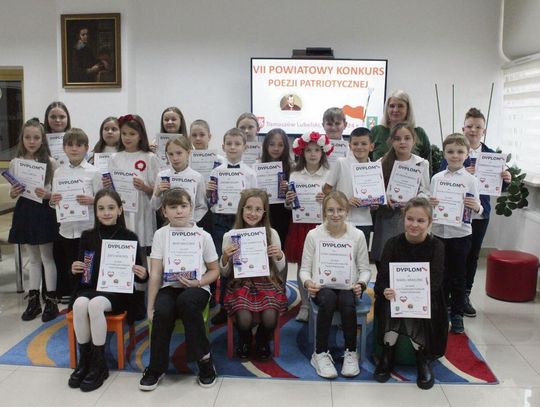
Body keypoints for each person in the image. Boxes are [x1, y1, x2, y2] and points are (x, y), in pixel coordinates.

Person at [68, 189, 147, 392]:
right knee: (79, 303)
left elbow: (141, 275)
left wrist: (142, 273)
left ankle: (99, 364)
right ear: (95, 212)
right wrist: (75, 268)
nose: (106, 212)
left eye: (111, 208)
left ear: (120, 210)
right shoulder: (87, 236)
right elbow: (82, 273)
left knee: (94, 305)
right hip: (90, 287)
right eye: (101, 208)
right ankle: (84, 360)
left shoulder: (129, 237)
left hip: (116, 293)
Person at [140, 188, 219, 391]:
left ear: (191, 208)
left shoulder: (203, 235)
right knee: (163, 311)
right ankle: (156, 368)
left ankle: (204, 361)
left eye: (183, 206)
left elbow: (214, 271)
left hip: (197, 287)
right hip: (170, 286)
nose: (179, 211)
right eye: (173, 207)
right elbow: (156, 273)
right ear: (164, 211)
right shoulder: (161, 235)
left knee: (187, 303)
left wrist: (198, 283)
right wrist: (150, 307)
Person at [438, 108, 511, 317]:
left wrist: (506, 180)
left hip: (480, 214)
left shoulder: (493, 157)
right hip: (454, 214)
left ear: (484, 130)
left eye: (478, 127)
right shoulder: (454, 151)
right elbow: (443, 175)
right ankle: (447, 297)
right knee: (452, 256)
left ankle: (464, 297)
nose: (473, 130)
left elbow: (499, 188)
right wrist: (461, 172)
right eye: (469, 126)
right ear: (463, 128)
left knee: (471, 256)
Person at [374, 197, 447, 390]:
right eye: (410, 219)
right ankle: (388, 353)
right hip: (395, 296)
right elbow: (381, 279)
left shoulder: (437, 246)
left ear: (429, 223)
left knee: (413, 307)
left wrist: (417, 296)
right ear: (403, 219)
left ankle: (422, 357)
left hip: (427, 297)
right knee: (394, 304)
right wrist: (386, 291)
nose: (414, 224)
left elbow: (437, 282)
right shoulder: (392, 243)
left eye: (420, 221)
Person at [299, 191, 371, 379]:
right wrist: (308, 283)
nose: (335, 214)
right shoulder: (313, 235)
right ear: (324, 212)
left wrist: (361, 284)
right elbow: (304, 269)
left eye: (340, 209)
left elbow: (365, 269)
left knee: (347, 299)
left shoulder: (357, 235)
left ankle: (350, 351)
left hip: (348, 287)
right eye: (330, 210)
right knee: (329, 298)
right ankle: (320, 353)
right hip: (321, 288)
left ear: (347, 211)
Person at [220, 189, 287, 360]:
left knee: (270, 315)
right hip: (240, 283)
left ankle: (263, 340)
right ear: (241, 209)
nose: (252, 213)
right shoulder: (230, 236)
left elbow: (279, 268)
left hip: (267, 281)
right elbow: (225, 272)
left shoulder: (272, 234)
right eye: (248, 208)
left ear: (264, 212)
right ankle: (245, 338)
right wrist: (226, 257)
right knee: (243, 316)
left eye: (258, 209)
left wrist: (279, 256)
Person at [430, 133, 482, 334]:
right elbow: (429, 201)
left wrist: (475, 206)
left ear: (467, 154)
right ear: (444, 154)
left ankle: (457, 315)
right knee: (440, 275)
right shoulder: (437, 178)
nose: (455, 155)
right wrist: (430, 202)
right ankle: (440, 313)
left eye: (460, 152)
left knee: (458, 277)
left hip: (461, 234)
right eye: (450, 151)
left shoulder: (471, 180)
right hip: (438, 233)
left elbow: (479, 210)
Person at [8, 118, 59, 322]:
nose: (31, 141)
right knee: (33, 258)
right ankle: (34, 300)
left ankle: (52, 300)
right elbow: (14, 193)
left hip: (44, 211)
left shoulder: (50, 162)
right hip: (25, 211)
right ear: (22, 138)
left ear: (42, 139)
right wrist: (13, 191)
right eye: (28, 137)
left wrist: (47, 195)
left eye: (36, 137)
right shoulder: (15, 162)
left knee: (47, 256)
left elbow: (55, 194)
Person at [207, 128, 257, 324]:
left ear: (245, 147)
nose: (233, 147)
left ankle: (244, 301)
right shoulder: (215, 171)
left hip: (241, 221)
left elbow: (255, 201)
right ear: (223, 146)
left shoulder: (250, 173)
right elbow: (211, 202)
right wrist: (210, 193)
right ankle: (223, 306)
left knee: (241, 263)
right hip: (220, 220)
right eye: (229, 144)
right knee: (224, 263)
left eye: (237, 144)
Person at [50, 129, 103, 304]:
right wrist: (53, 200)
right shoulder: (59, 172)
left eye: (79, 145)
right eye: (70, 145)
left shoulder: (94, 172)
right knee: (71, 267)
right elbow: (54, 200)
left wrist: (92, 200)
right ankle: (75, 298)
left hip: (86, 229)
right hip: (66, 229)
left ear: (86, 148)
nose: (74, 149)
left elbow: (103, 201)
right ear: (64, 148)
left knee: (87, 267)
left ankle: (87, 297)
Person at [284, 131, 333, 322]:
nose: (312, 154)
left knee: (320, 264)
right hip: (300, 225)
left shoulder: (329, 174)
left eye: (316, 150)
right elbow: (290, 205)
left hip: (321, 225)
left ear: (323, 153)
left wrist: (327, 199)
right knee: (301, 266)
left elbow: (336, 202)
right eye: (308, 150)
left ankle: (320, 301)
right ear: (302, 153)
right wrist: (289, 200)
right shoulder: (295, 174)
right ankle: (304, 305)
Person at [370, 123, 430, 271]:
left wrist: (413, 201)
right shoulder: (381, 162)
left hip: (411, 218)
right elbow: (373, 192)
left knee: (406, 260)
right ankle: (382, 291)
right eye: (397, 138)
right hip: (386, 217)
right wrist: (384, 197)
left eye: (407, 138)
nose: (402, 142)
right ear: (391, 141)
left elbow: (426, 192)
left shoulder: (422, 163)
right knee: (384, 257)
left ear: (414, 141)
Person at [106, 114, 159, 249]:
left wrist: (145, 187)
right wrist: (108, 185)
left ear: (140, 135)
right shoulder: (114, 158)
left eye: (132, 134)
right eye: (124, 133)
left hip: (142, 209)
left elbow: (158, 189)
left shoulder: (150, 157)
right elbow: (111, 188)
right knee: (122, 248)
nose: (127, 137)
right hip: (122, 209)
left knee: (141, 248)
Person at [323, 127, 375, 244]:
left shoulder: (375, 168)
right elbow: (326, 189)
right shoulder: (341, 162)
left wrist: (375, 203)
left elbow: (375, 202)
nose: (359, 147)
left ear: (371, 147)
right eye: (355, 144)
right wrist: (344, 202)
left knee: (360, 259)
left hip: (365, 221)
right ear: (350, 146)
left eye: (364, 143)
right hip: (343, 221)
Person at [151, 135, 207, 223]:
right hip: (168, 225)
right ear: (166, 155)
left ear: (188, 153)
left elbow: (202, 206)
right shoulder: (162, 176)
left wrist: (191, 221)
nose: (175, 158)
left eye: (179, 153)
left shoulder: (197, 177)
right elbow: (154, 206)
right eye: (171, 154)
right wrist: (157, 193)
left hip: (190, 227)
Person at [371, 90, 431, 164]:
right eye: (392, 106)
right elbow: (366, 161)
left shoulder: (419, 133)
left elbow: (428, 164)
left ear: (408, 109)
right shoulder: (376, 131)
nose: (395, 110)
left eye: (400, 106)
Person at [260, 128, 292, 245]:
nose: (276, 148)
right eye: (272, 144)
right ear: (266, 145)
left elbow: (294, 195)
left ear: (286, 147)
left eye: (280, 145)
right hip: (263, 212)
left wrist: (288, 188)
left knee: (280, 246)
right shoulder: (258, 165)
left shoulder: (292, 167)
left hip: (283, 215)